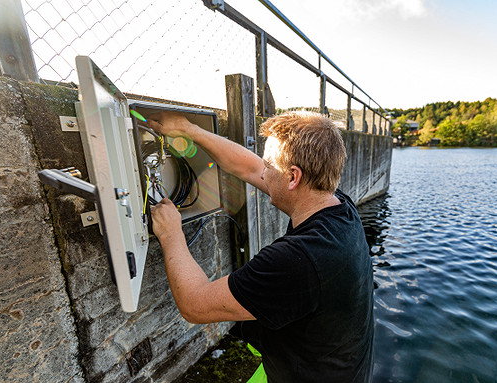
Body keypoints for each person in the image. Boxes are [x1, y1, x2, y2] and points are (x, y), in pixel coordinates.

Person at [144, 111, 374, 382]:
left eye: (269, 165)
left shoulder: (297, 260)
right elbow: (249, 167)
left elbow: (194, 304)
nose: (262, 172)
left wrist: (171, 233)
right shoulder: (338, 205)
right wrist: (191, 130)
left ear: (292, 177)